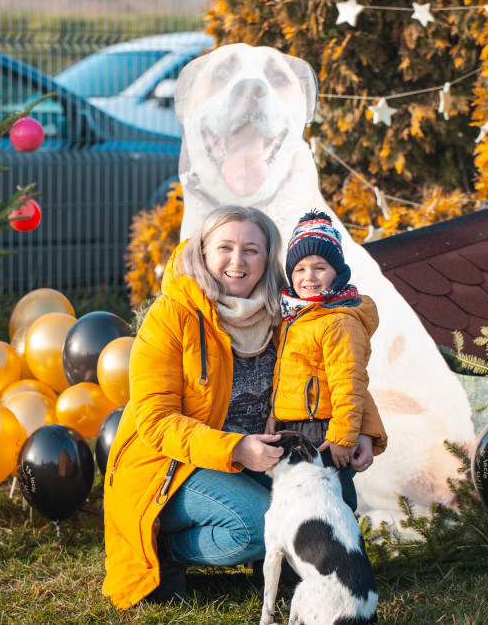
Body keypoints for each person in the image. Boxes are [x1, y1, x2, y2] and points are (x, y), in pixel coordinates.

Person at [101, 205, 388, 609]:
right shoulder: (171, 316)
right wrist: (235, 448)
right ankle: (165, 551)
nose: (237, 261)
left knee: (336, 496)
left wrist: (363, 430)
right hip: (174, 464)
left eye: (251, 249)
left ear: (268, 259)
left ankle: (274, 558)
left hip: (262, 457)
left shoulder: (281, 313)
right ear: (203, 253)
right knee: (255, 527)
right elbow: (155, 421)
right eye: (225, 247)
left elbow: (336, 370)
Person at [265, 210, 380, 511]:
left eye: (320, 267)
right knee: (298, 505)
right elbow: (287, 377)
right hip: (294, 427)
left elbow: (351, 383)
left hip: (324, 431)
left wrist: (344, 436)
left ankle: (342, 555)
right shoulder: (294, 316)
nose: (309, 277)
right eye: (300, 268)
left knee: (330, 504)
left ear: (337, 272)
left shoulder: (338, 321)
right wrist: (274, 416)